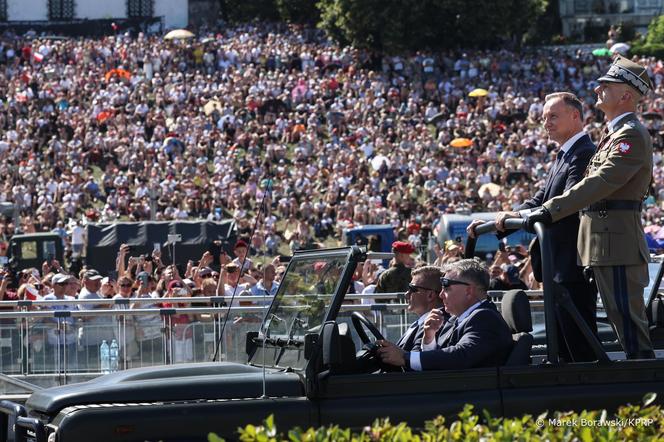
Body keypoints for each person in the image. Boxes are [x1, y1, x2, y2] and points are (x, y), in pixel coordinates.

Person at [526, 56, 656, 359]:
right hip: (604, 245)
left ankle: (646, 398)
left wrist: (549, 210)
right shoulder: (613, 135)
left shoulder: (630, 135)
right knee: (620, 326)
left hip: (618, 244)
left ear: (626, 95)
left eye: (607, 85)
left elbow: (599, 182)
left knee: (630, 331)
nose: (598, 88)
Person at [472, 92, 598, 362]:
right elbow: (541, 199)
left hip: (571, 264)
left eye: (553, 116)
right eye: (543, 118)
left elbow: (566, 201)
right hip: (557, 265)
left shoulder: (584, 153)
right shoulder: (565, 154)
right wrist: (503, 220)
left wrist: (518, 218)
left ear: (575, 116)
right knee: (563, 347)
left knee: (579, 348)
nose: (546, 123)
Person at [377, 259, 513, 370]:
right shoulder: (455, 318)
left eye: (447, 287)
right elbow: (434, 357)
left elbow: (461, 356)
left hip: (468, 397)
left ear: (469, 291)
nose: (441, 295)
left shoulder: (485, 318)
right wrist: (429, 338)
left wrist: (405, 357)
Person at [396, 265, 444, 352]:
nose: (406, 294)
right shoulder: (423, 322)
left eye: (412, 289)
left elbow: (415, 359)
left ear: (430, 295)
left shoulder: (436, 324)